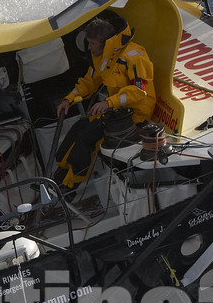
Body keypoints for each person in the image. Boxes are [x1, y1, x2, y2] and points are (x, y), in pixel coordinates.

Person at [53, 10, 156, 190]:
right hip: (116, 111)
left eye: (92, 43)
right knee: (78, 128)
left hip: (136, 116)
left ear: (104, 42)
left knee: (87, 137)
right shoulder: (103, 55)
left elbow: (139, 91)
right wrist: (68, 99)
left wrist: (108, 103)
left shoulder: (134, 56)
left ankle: (70, 186)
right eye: (88, 43)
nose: (90, 48)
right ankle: (61, 174)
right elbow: (89, 81)